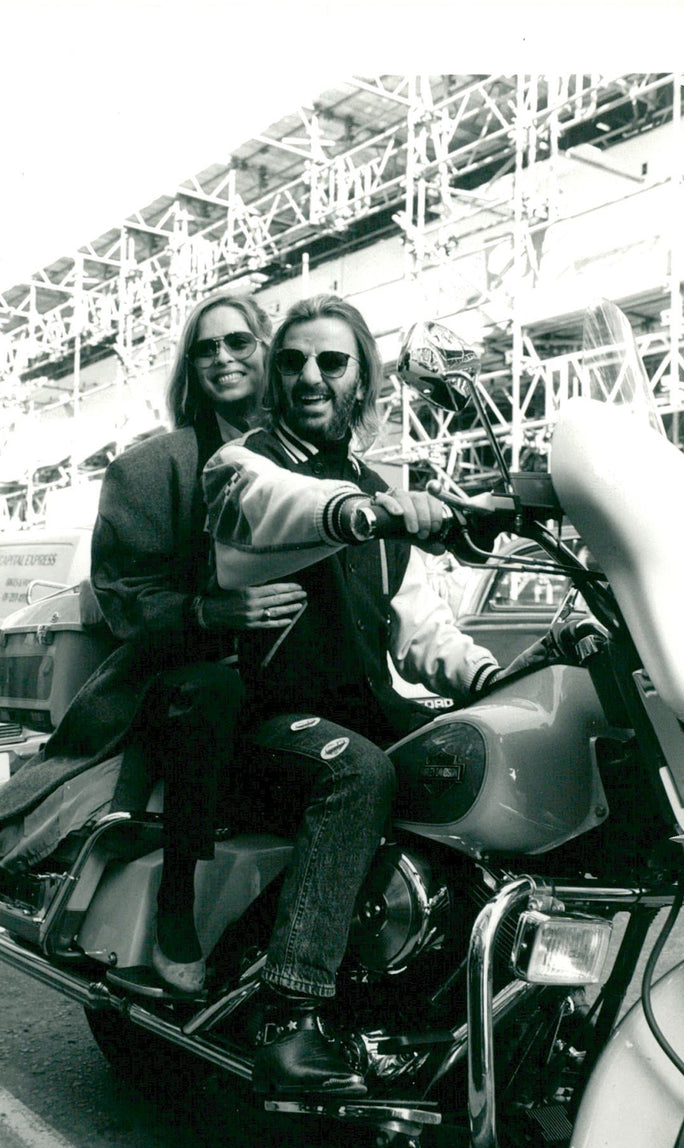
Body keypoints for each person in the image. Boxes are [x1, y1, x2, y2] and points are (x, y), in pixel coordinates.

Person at [0, 291, 306, 998]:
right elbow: (124, 599)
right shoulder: (150, 467)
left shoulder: (314, 455)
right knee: (211, 689)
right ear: (190, 369)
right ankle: (177, 904)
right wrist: (212, 611)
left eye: (238, 342)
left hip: (299, 673)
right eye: (205, 348)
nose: (223, 357)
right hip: (180, 677)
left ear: (268, 351)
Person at [201, 293, 502, 1096]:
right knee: (358, 770)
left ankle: (459, 983)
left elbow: (423, 631)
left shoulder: (377, 483)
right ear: (273, 376)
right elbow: (268, 508)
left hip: (364, 708)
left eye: (331, 362)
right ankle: (289, 1014)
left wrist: (489, 680)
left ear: (361, 380)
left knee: (481, 750)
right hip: (268, 718)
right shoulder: (241, 463)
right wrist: (363, 511)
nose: (311, 376)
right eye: (293, 361)